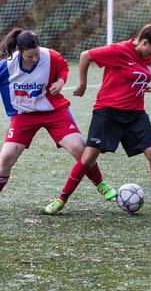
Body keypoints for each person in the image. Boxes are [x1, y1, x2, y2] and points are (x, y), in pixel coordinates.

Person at [46, 16, 151, 219]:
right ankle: (61, 198)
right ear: (144, 42)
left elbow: (134, 74)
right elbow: (85, 55)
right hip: (107, 111)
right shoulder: (118, 50)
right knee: (88, 158)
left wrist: (142, 85)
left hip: (135, 114)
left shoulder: (146, 56)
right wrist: (82, 84)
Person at [0, 28, 116, 207]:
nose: (35, 58)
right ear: (20, 51)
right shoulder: (7, 66)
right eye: (30, 56)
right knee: (5, 158)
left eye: (36, 53)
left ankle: (100, 184)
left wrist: (60, 81)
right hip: (24, 115)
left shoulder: (50, 56)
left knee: (79, 148)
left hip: (53, 111)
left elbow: (63, 67)